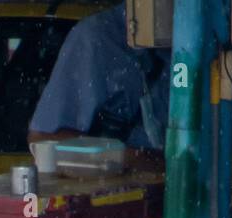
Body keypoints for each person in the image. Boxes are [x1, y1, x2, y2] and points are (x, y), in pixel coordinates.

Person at [28, 1, 169, 168]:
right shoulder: (97, 38)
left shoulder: (197, 38)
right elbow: (45, 139)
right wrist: (137, 159)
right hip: (122, 190)